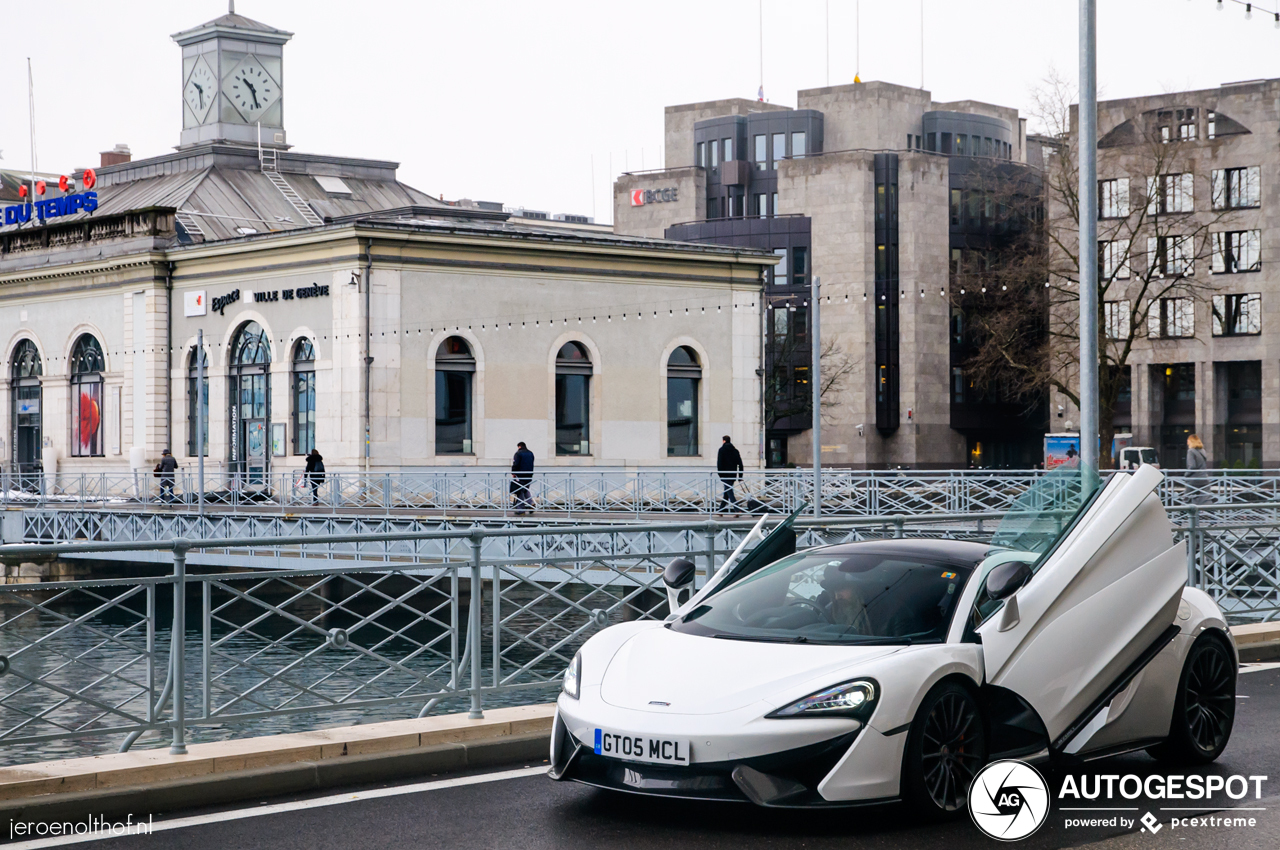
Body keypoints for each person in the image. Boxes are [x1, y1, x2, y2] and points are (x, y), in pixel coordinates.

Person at [716, 435, 744, 512]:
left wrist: (720, 475)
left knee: (729, 492)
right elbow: (740, 464)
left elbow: (719, 464)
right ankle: (720, 511)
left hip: (725, 475)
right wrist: (740, 476)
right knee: (727, 492)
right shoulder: (735, 451)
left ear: (724, 441)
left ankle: (737, 509)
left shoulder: (721, 450)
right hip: (733, 475)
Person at [511, 441, 535, 515]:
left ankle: (521, 509)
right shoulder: (531, 453)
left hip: (521, 475)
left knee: (520, 491)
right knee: (525, 489)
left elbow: (516, 464)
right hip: (529, 475)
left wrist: (513, 472)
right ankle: (531, 503)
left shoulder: (518, 453)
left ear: (519, 446)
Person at [1186, 434, 1210, 505]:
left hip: (1194, 479)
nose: (1187, 441)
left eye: (1188, 440)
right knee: (1205, 499)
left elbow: (1192, 466)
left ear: (1191, 441)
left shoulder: (1191, 451)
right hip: (1204, 478)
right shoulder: (1202, 451)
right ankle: (1211, 513)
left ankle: (1183, 515)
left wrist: (1186, 475)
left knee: (1186, 498)